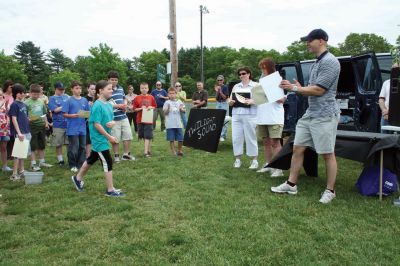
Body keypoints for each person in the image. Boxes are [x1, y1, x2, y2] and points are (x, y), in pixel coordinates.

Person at [271, 29, 341, 204]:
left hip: (325, 115)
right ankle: (291, 184)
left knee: (327, 153)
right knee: (297, 148)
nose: (307, 43)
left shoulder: (330, 62)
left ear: (322, 41)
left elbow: (319, 90)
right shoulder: (316, 63)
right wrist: (301, 88)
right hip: (310, 114)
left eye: (310, 40)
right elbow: (311, 90)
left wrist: (295, 89)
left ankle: (330, 190)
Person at [71, 80, 125, 197]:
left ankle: (77, 178)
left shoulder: (109, 104)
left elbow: (107, 121)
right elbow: (96, 124)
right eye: (109, 89)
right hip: (99, 139)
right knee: (107, 162)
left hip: (103, 138)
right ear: (100, 91)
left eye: (112, 89)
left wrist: (111, 123)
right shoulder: (97, 105)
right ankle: (110, 190)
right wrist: (109, 136)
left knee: (91, 159)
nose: (112, 91)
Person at [256, 58, 285, 177]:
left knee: (275, 143)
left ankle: (279, 168)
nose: (262, 70)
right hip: (262, 115)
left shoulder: (278, 80)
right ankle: (269, 164)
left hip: (274, 117)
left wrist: (268, 92)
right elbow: (259, 98)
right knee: (266, 142)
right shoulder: (261, 80)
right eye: (261, 68)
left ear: (269, 67)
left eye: (263, 67)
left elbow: (281, 100)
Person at [228, 67, 258, 169]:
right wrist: (230, 102)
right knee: (236, 138)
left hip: (250, 114)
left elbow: (262, 99)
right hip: (236, 114)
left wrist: (252, 101)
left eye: (243, 73)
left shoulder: (256, 85)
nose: (241, 76)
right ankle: (237, 159)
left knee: (251, 137)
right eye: (239, 74)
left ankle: (254, 160)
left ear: (249, 74)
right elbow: (230, 99)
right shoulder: (236, 86)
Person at [62, 81, 90, 173]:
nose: (79, 90)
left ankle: (80, 164)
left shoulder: (84, 100)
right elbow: (64, 114)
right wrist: (72, 115)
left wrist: (86, 115)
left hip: (82, 128)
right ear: (72, 89)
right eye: (76, 88)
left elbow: (88, 113)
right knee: (74, 147)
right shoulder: (68, 100)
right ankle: (72, 164)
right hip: (72, 128)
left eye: (80, 88)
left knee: (82, 147)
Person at [108, 71, 135, 162]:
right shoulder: (107, 90)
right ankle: (116, 156)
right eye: (112, 80)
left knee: (128, 135)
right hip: (113, 118)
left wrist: (125, 105)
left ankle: (126, 155)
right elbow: (106, 104)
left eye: (115, 80)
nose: (114, 81)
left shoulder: (121, 88)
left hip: (123, 116)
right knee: (115, 138)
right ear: (108, 80)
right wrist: (119, 106)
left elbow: (124, 98)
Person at [25, 84, 52, 171]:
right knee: (33, 145)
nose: (36, 96)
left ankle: (42, 162)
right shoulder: (26, 103)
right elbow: (24, 116)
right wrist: (28, 119)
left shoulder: (41, 101)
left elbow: (44, 113)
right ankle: (33, 164)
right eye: (34, 94)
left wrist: (46, 123)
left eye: (37, 94)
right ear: (30, 93)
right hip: (32, 126)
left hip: (41, 125)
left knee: (41, 144)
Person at [9, 84, 30, 181]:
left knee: (22, 152)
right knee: (17, 153)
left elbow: (25, 117)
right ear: (17, 94)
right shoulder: (14, 104)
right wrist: (19, 132)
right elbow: (14, 119)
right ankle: (14, 174)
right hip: (19, 132)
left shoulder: (24, 104)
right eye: (22, 93)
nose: (24, 94)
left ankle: (21, 170)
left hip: (25, 130)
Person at [48, 82, 69, 166]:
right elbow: (55, 110)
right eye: (60, 89)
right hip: (58, 125)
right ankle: (60, 160)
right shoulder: (52, 99)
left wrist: (62, 106)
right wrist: (65, 106)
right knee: (58, 143)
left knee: (68, 143)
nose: (62, 91)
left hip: (68, 123)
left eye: (63, 89)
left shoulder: (67, 96)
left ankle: (70, 158)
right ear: (55, 89)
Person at [133, 82, 156, 157]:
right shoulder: (137, 97)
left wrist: (150, 107)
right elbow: (134, 109)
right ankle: (148, 149)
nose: (144, 89)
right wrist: (140, 108)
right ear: (140, 89)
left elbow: (154, 106)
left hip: (148, 120)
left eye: (145, 88)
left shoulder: (151, 97)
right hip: (140, 119)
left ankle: (145, 152)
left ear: (148, 89)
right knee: (143, 135)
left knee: (148, 135)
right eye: (142, 88)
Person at [163, 87, 185, 156]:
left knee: (180, 138)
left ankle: (180, 150)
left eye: (173, 93)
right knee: (171, 139)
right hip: (170, 124)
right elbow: (165, 113)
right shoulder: (167, 102)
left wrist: (182, 109)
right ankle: (173, 151)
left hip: (178, 124)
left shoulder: (179, 102)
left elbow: (184, 111)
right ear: (168, 94)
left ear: (176, 94)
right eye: (170, 93)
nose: (172, 95)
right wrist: (168, 109)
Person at [379, 63, 399, 134]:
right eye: (393, 69)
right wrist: (384, 110)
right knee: (383, 138)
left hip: (397, 116)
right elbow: (381, 99)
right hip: (385, 116)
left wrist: (391, 111)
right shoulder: (386, 83)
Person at [0, 89, 12, 171]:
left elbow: (8, 114)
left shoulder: (5, 103)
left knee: (4, 147)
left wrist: (7, 105)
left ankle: (5, 166)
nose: (0, 96)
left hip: (5, 128)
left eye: (1, 95)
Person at [215, 75, 229, 141]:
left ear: (223, 80)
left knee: (224, 119)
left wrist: (220, 91)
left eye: (221, 80)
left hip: (224, 103)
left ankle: (223, 135)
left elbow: (225, 97)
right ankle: (219, 135)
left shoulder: (225, 87)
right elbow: (216, 98)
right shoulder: (217, 87)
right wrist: (217, 91)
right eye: (218, 80)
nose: (219, 81)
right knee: (218, 119)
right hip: (218, 103)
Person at [4, 81, 14, 160]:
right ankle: (6, 154)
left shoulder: (14, 96)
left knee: (12, 136)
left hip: (13, 118)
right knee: (6, 137)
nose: (12, 88)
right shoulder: (2, 95)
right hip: (4, 119)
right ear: (6, 86)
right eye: (10, 86)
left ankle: (11, 154)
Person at [85, 83, 96, 157]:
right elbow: (81, 113)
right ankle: (88, 156)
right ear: (87, 89)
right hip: (87, 123)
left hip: (97, 122)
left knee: (96, 139)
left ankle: (96, 154)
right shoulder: (84, 99)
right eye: (91, 89)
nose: (93, 91)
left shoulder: (98, 99)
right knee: (88, 140)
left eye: (95, 89)